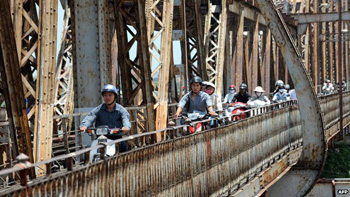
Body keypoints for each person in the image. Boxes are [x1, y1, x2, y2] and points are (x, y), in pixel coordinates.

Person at [79, 84, 131, 152]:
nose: (107, 97)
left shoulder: (121, 110)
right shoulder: (98, 109)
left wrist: (126, 127)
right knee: (89, 149)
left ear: (114, 96)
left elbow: (126, 120)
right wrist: (84, 126)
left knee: (124, 147)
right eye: (105, 95)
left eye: (110, 95)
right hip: (101, 137)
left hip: (116, 137)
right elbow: (90, 117)